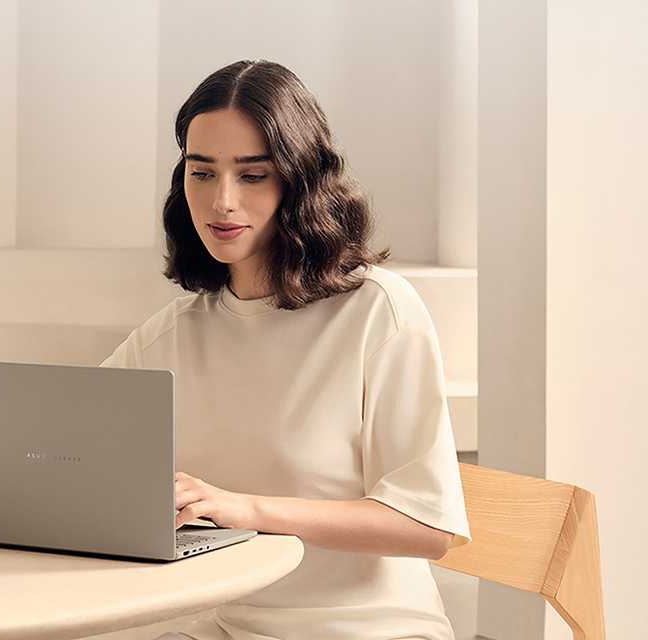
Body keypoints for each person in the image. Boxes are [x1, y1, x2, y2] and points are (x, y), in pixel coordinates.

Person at [99, 60, 471, 640]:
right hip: (222, 625)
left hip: (368, 629)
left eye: (252, 175)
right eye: (202, 173)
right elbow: (68, 451)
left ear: (299, 181)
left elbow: (427, 526)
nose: (222, 201)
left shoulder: (378, 310)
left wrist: (245, 508)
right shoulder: (172, 334)